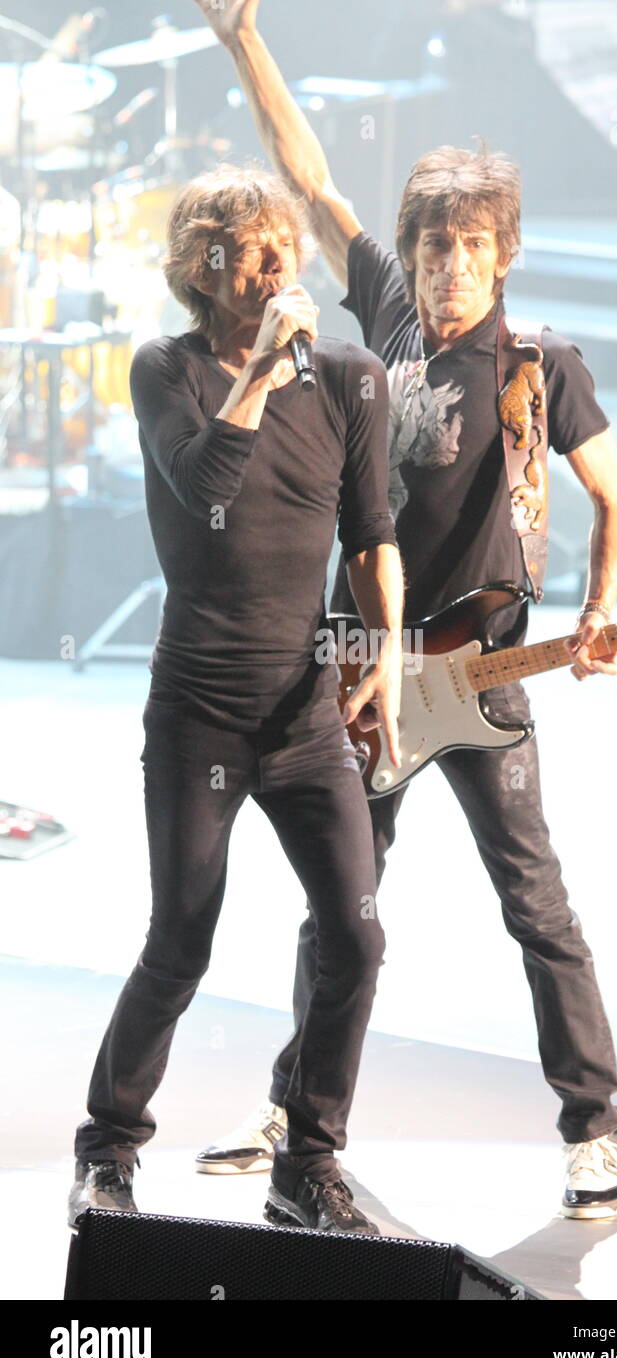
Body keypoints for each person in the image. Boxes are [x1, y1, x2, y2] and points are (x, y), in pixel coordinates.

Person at [193, 0, 617, 1220]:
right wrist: (243, 42)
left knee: (535, 901)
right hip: (369, 664)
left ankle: (593, 1127)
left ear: (503, 259)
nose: (444, 268)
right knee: (343, 904)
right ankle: (296, 1101)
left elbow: (613, 500)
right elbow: (312, 175)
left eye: (466, 251)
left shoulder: (538, 363)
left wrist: (598, 611)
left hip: (482, 675)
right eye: (431, 247)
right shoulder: (385, 310)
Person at [68, 162, 405, 1236]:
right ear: (200, 271)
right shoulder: (163, 370)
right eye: (244, 252)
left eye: (280, 248)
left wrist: (387, 653)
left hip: (304, 715)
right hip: (198, 711)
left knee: (355, 936)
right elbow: (207, 486)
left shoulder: (351, 375)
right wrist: (257, 372)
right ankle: (107, 1149)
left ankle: (307, 1159)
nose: (270, 266)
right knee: (182, 937)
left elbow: (372, 534)